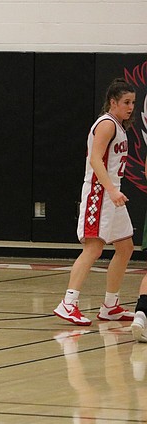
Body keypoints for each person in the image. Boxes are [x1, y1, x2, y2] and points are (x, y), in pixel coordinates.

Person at [54, 77, 136, 326]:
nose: (131, 107)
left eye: (133, 102)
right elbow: (95, 160)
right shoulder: (106, 125)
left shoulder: (119, 125)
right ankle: (68, 302)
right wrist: (110, 190)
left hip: (113, 193)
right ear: (113, 102)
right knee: (93, 247)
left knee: (125, 247)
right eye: (126, 102)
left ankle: (110, 305)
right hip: (99, 193)